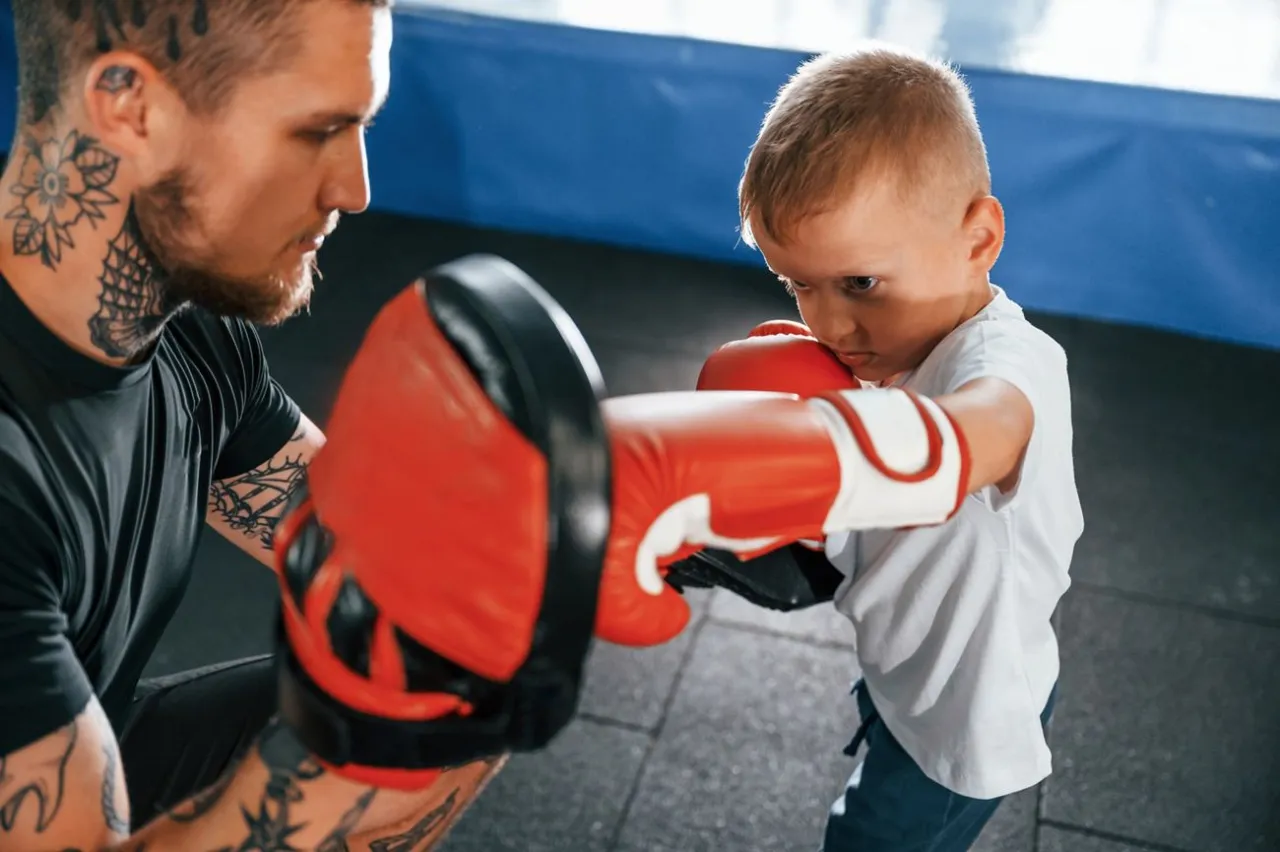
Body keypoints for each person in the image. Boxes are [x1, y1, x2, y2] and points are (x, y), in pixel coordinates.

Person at [0, 1, 509, 849]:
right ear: (130, 107)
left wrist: (609, 506)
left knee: (462, 662)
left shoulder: (184, 320)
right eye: (318, 131)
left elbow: (380, 554)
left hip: (80, 759)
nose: (355, 188)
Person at [697, 43, 1086, 850]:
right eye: (798, 285)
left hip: (964, 716)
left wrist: (821, 443)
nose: (829, 325)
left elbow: (989, 430)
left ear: (978, 240)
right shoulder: (891, 349)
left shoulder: (1008, 366)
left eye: (860, 284)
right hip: (907, 671)